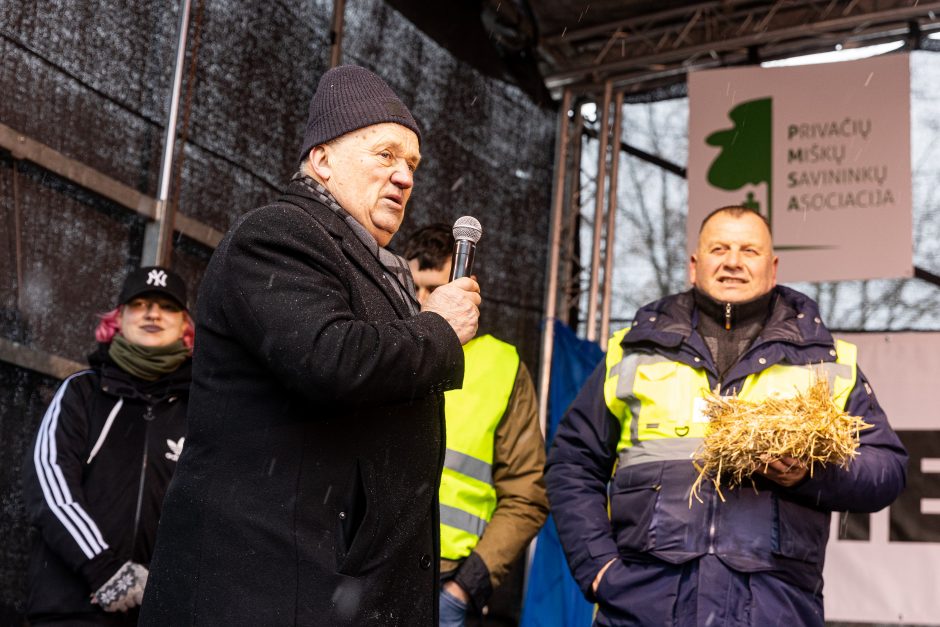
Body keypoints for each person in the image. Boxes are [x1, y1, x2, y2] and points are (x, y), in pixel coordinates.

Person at [138, 65, 480, 626]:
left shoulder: (377, 268)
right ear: (322, 161)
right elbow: (331, 359)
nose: (404, 177)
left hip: (335, 593)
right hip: (269, 592)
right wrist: (436, 328)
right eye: (385, 155)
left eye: (412, 164)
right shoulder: (279, 235)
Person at [545, 206, 908, 626]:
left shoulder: (826, 361)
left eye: (748, 250)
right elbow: (573, 463)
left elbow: (887, 469)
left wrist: (810, 475)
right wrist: (600, 570)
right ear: (695, 265)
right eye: (719, 248)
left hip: (772, 611)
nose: (733, 261)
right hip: (642, 609)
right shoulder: (634, 351)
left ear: (772, 269)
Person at [22, 265, 193, 625]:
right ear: (118, 320)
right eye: (140, 303)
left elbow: (212, 512)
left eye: (167, 306)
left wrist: (167, 585)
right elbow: (50, 488)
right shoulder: (82, 392)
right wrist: (104, 570)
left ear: (186, 328)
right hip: (72, 610)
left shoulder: (202, 410)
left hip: (162, 615)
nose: (153, 313)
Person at [401, 224, 549, 626]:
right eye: (415, 286)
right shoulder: (383, 345)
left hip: (446, 581)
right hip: (365, 572)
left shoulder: (504, 367)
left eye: (436, 288)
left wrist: (466, 586)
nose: (423, 300)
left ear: (470, 285)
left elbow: (526, 493)